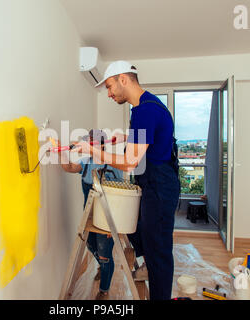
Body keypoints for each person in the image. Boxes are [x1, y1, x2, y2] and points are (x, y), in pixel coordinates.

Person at [73, 61, 180, 300]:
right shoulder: (145, 106)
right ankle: (147, 265)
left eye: (110, 86)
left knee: (159, 250)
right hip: (154, 182)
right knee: (139, 228)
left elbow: (130, 162)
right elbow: (144, 145)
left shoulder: (145, 111)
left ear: (124, 79)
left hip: (159, 186)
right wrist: (123, 138)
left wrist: (93, 151)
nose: (109, 93)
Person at [57, 129, 123, 300]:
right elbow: (69, 167)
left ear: (102, 144)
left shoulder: (114, 165)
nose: (88, 144)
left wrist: (114, 224)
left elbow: (120, 197)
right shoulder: (87, 162)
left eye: (92, 141)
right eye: (89, 140)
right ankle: (102, 266)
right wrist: (61, 152)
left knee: (105, 254)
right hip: (90, 217)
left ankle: (104, 290)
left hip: (107, 219)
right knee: (90, 245)